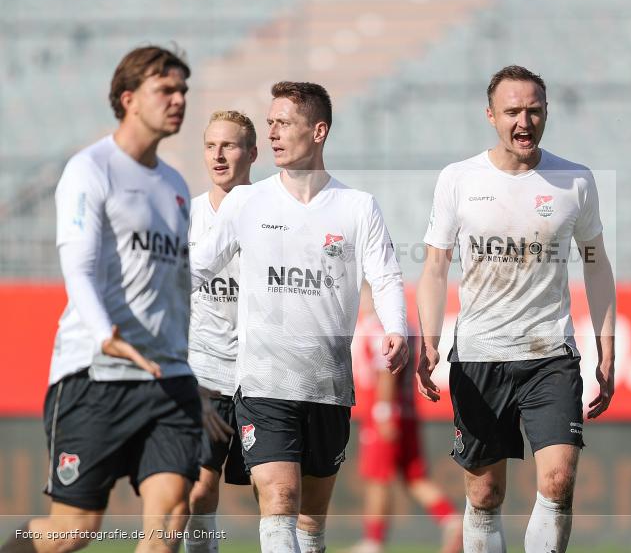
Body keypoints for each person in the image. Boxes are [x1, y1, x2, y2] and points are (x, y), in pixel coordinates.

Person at [189, 81, 409, 553]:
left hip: (327, 387)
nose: (273, 132)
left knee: (311, 520)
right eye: (269, 123)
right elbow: (195, 268)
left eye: (284, 123)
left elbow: (387, 275)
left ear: (319, 130)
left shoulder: (357, 206)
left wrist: (395, 327)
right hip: (263, 384)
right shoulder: (246, 202)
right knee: (279, 498)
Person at [1, 46, 202, 553]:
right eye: (166, 90)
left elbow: (177, 284)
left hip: (168, 379)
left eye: (183, 90)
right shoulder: (91, 169)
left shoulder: (176, 185)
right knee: (73, 531)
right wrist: (103, 334)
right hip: (96, 375)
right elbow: (79, 265)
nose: (178, 100)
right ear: (129, 98)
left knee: (172, 517)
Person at [416, 65, 617, 553]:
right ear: (491, 116)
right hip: (480, 356)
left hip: (550, 353)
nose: (524, 120)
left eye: (534, 109)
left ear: (546, 112)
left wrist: (606, 351)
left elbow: (596, 266)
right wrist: (429, 341)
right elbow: (435, 269)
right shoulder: (459, 179)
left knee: (558, 481)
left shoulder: (576, 181)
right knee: (485, 493)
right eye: (512, 111)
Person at [184, 111, 258, 552]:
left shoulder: (272, 212)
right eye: (211, 145)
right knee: (198, 490)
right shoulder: (186, 215)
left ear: (252, 153)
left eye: (229, 145)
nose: (218, 154)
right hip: (204, 370)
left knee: (274, 490)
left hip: (259, 372)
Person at [345, 283, 462, 553]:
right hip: (406, 412)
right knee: (413, 477)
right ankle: (452, 520)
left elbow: (385, 370)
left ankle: (373, 542)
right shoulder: (403, 326)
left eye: (364, 296)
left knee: (378, 478)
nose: (361, 303)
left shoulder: (380, 328)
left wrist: (384, 411)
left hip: (385, 411)